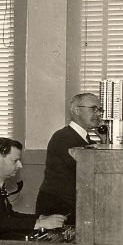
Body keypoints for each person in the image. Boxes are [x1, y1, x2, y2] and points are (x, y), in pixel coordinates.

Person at [35, 92, 102, 222]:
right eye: (93, 109)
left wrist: (105, 141)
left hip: (70, 203)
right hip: (58, 206)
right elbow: (87, 168)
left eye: (99, 110)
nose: (98, 114)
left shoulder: (85, 139)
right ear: (77, 110)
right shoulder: (63, 137)